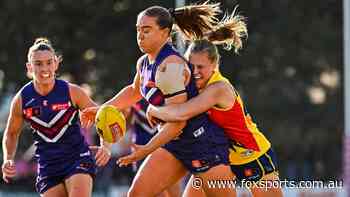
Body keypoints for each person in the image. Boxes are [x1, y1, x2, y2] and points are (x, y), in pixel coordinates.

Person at [81, 2, 236, 197]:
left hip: (202, 143)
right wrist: (102, 108)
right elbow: (134, 91)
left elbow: (178, 122)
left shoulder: (170, 66)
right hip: (174, 143)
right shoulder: (144, 63)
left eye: (147, 30)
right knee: (136, 194)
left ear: (164, 33)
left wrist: (146, 149)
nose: (140, 35)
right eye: (138, 30)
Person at [144, 8, 284, 197]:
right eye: (191, 65)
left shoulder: (218, 89)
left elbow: (181, 113)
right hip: (217, 156)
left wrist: (154, 110)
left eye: (200, 67)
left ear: (215, 65)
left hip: (252, 156)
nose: (194, 72)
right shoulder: (189, 81)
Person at [1, 38, 111, 197]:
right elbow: (11, 133)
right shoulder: (21, 99)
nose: (44, 68)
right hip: (48, 166)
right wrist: (8, 158)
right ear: (29, 67)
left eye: (48, 62)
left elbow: (102, 117)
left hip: (77, 158)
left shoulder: (72, 92)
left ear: (56, 64)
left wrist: (105, 146)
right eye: (38, 64)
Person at [129, 99, 182, 197]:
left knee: (171, 185)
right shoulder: (136, 94)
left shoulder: (167, 90)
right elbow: (126, 120)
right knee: (145, 189)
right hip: (141, 146)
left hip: (165, 142)